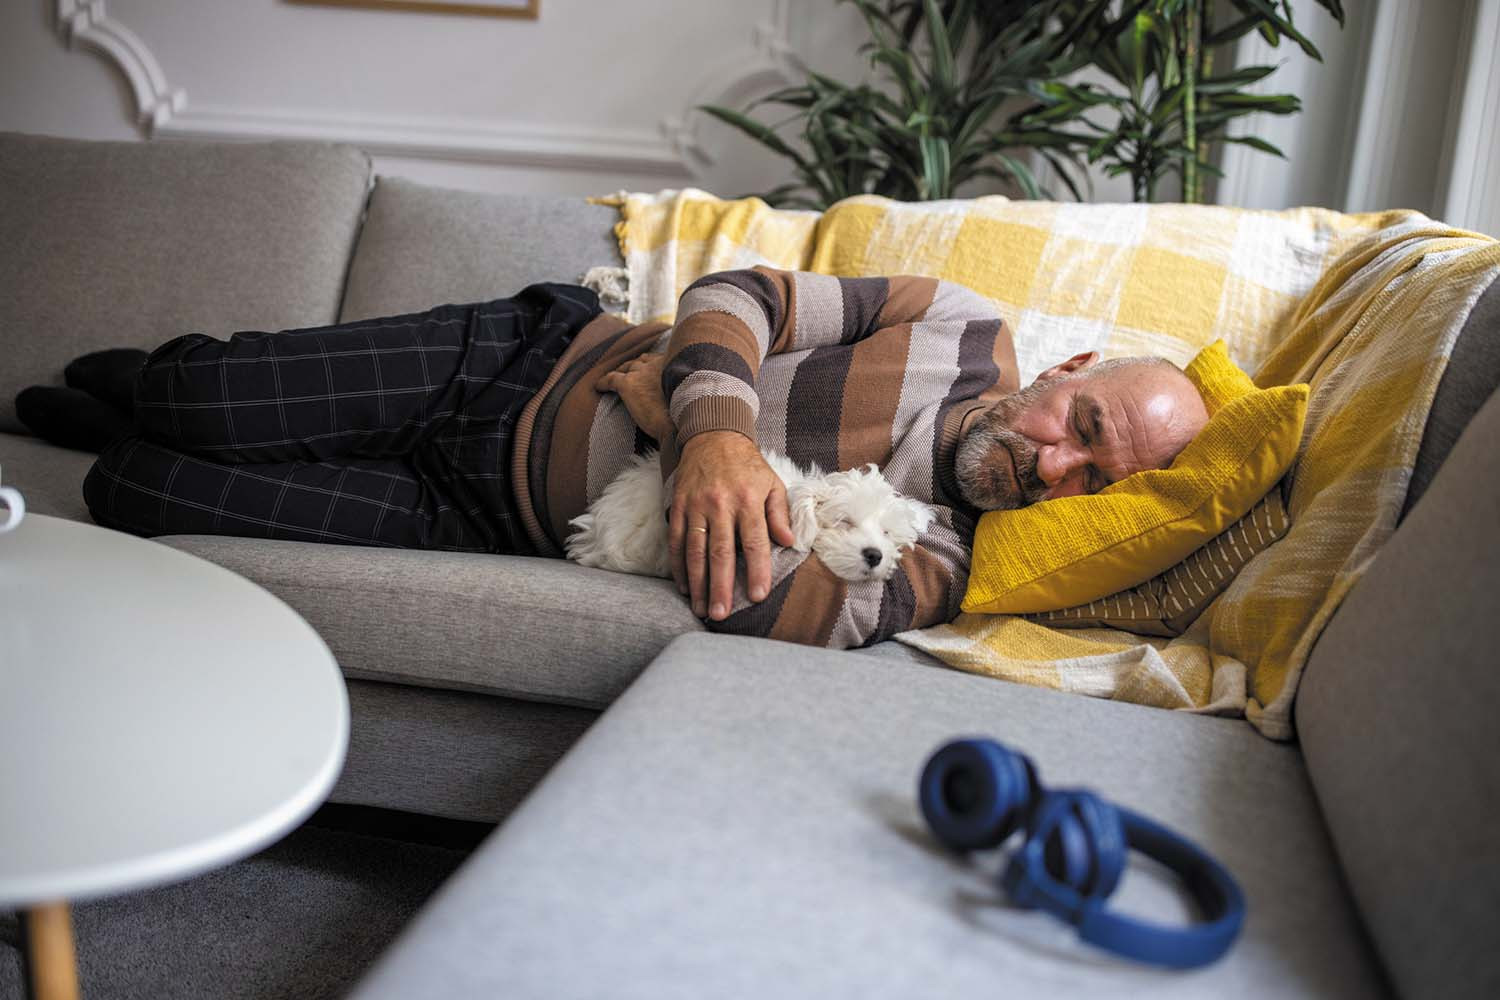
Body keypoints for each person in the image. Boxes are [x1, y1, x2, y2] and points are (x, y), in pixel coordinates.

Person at [17, 268, 1208, 648]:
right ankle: (139, 389)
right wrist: (715, 436)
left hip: (478, 518)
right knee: (190, 390)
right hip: (511, 359)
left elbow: (759, 601)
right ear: (1070, 372)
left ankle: (123, 436)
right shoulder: (963, 323)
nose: (1060, 468)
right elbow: (737, 292)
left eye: (1096, 487)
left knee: (139, 490)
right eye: (1086, 430)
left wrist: (664, 414)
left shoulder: (944, 562)